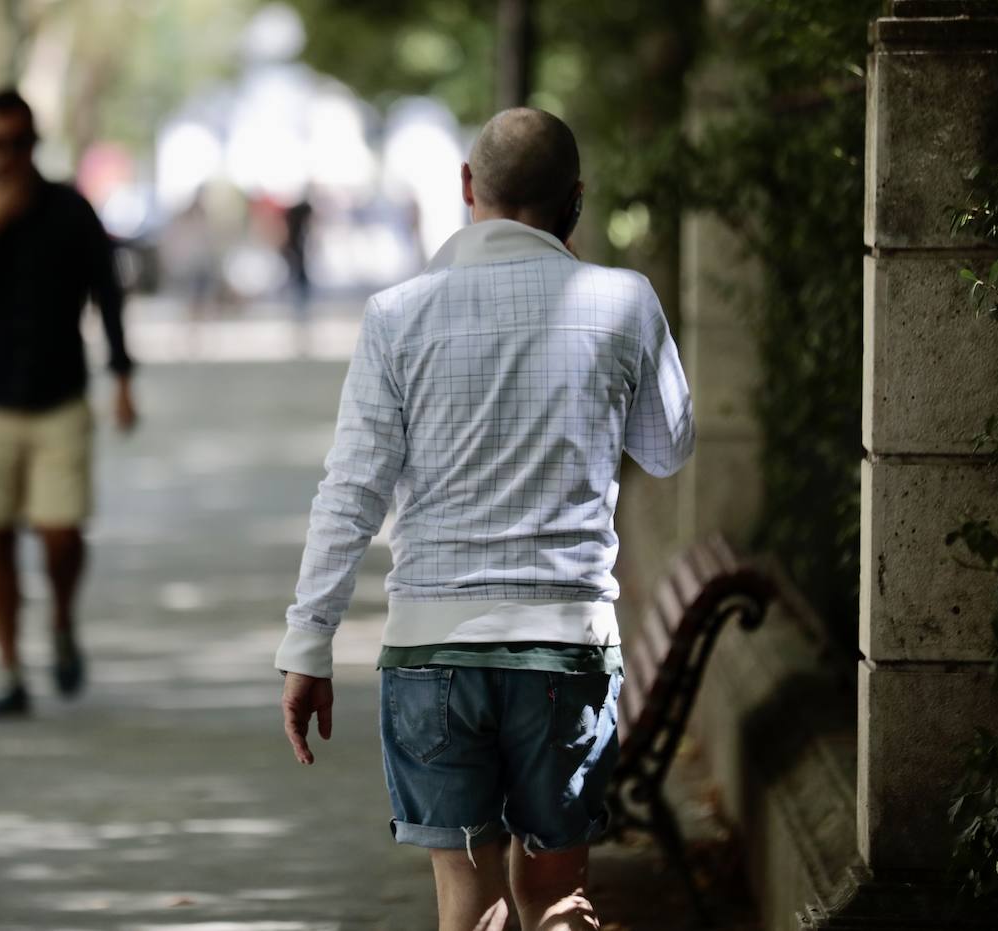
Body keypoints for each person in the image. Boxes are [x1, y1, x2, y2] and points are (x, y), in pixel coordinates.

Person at [276, 108, 694, 931]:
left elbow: (352, 488)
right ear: (576, 200)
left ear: (468, 187)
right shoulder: (624, 300)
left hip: (433, 654)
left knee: (469, 909)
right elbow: (669, 448)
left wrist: (308, 642)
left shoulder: (398, 313)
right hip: (564, 649)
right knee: (557, 898)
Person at [0, 89, 137, 719]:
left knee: (61, 535)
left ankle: (63, 622)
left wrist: (123, 376)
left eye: (20, 142)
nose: (10, 155)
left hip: (58, 396)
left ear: (36, 143)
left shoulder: (71, 210)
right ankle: (9, 668)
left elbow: (108, 293)